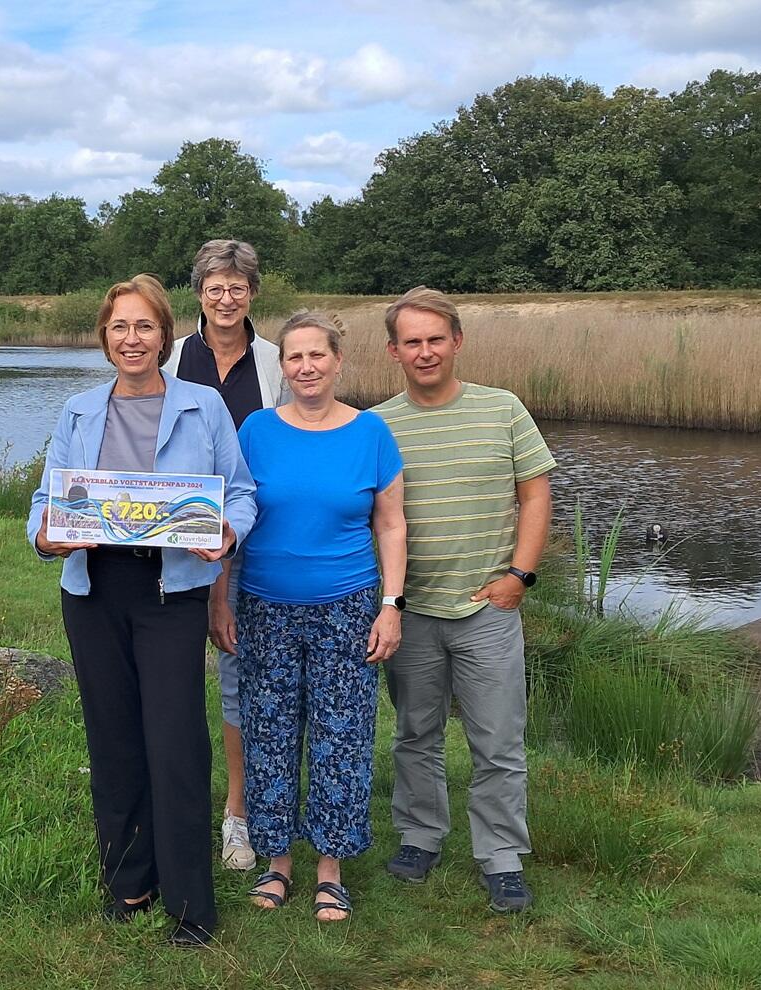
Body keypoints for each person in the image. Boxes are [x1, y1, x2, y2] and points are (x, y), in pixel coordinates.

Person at [27, 273, 257, 947]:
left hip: (171, 594)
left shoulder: (203, 406)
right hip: (94, 591)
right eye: (120, 327)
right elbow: (47, 504)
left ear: (165, 336)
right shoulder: (77, 410)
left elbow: (239, 493)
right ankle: (131, 880)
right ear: (105, 337)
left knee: (176, 741)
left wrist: (226, 532)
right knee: (114, 740)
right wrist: (47, 535)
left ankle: (191, 904)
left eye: (145, 327)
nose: (133, 339)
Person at [370, 287, 554, 914]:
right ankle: (421, 836)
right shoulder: (377, 426)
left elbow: (535, 495)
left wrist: (520, 577)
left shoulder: (502, 410)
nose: (425, 352)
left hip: (487, 607)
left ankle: (500, 855)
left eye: (436, 339)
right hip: (411, 609)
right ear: (394, 351)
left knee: (498, 740)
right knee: (415, 732)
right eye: (412, 342)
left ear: (458, 342)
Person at [221, 312, 405, 923]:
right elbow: (231, 518)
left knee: (341, 738)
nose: (305, 367)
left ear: (337, 361)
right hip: (265, 606)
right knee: (269, 733)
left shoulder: (371, 433)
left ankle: (331, 869)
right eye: (294, 357)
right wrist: (221, 598)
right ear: (284, 367)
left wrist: (391, 606)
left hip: (348, 605)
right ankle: (277, 864)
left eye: (317, 356)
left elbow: (390, 524)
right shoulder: (256, 430)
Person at [161, 238, 288, 873]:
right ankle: (178, 803)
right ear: (199, 293)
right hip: (180, 544)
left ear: (252, 293)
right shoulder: (172, 359)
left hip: (260, 538)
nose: (226, 297)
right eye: (215, 287)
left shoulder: (274, 362)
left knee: (245, 673)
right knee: (177, 675)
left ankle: (241, 812)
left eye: (237, 286)